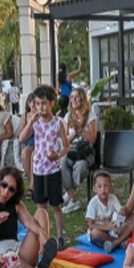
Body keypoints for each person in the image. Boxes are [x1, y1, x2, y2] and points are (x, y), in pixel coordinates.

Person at [17, 85, 68, 246]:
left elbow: (66, 146)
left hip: (53, 169)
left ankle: (60, 237)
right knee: (41, 206)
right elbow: (21, 138)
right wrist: (31, 120)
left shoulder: (57, 123)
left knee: (56, 205)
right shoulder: (36, 123)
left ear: (52, 103)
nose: (41, 107)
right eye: (38, 104)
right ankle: (44, 237)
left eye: (44, 103)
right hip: (38, 169)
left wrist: (58, 155)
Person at [61, 88, 97, 214]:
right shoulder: (67, 116)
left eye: (76, 97)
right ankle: (73, 200)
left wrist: (81, 128)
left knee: (80, 166)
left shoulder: (90, 115)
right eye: (72, 97)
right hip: (72, 151)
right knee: (63, 161)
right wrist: (74, 131)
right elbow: (65, 139)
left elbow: (92, 139)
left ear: (82, 99)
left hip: (85, 152)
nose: (74, 100)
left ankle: (70, 191)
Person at [86, 171, 133, 253]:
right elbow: (91, 225)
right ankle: (120, 241)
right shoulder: (93, 203)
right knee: (95, 233)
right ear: (94, 188)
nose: (103, 189)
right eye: (99, 186)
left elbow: (120, 210)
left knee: (132, 223)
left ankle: (115, 243)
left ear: (111, 187)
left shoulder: (113, 198)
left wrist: (122, 211)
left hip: (113, 230)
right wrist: (106, 227)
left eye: (106, 186)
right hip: (101, 230)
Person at [18, 93, 37, 191]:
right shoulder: (25, 116)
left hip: (40, 144)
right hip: (29, 144)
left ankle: (32, 186)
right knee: (25, 154)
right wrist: (31, 125)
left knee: (34, 155)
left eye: (35, 102)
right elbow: (21, 137)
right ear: (28, 103)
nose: (33, 105)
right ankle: (32, 183)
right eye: (31, 102)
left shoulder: (41, 115)